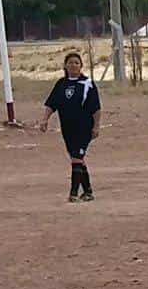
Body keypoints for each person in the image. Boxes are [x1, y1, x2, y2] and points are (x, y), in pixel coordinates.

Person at [38, 51, 102, 202]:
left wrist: (96, 126)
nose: (73, 65)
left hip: (84, 127)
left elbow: (96, 108)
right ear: (65, 66)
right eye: (70, 63)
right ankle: (88, 192)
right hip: (67, 128)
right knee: (77, 157)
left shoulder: (87, 84)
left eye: (76, 63)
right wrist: (45, 120)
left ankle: (73, 193)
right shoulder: (61, 84)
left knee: (76, 158)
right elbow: (51, 104)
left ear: (81, 66)